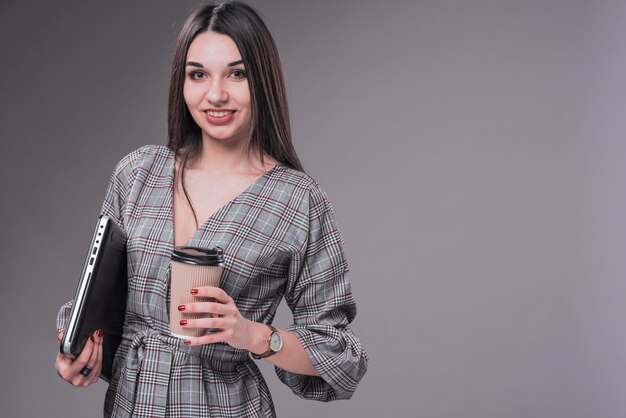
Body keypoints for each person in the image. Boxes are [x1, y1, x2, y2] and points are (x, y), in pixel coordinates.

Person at [54, 1, 367, 417]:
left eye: (237, 74)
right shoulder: (138, 173)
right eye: (198, 74)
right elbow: (99, 304)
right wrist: (78, 353)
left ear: (263, 81)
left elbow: (340, 354)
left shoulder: (297, 200)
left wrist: (255, 335)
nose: (215, 94)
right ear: (180, 84)